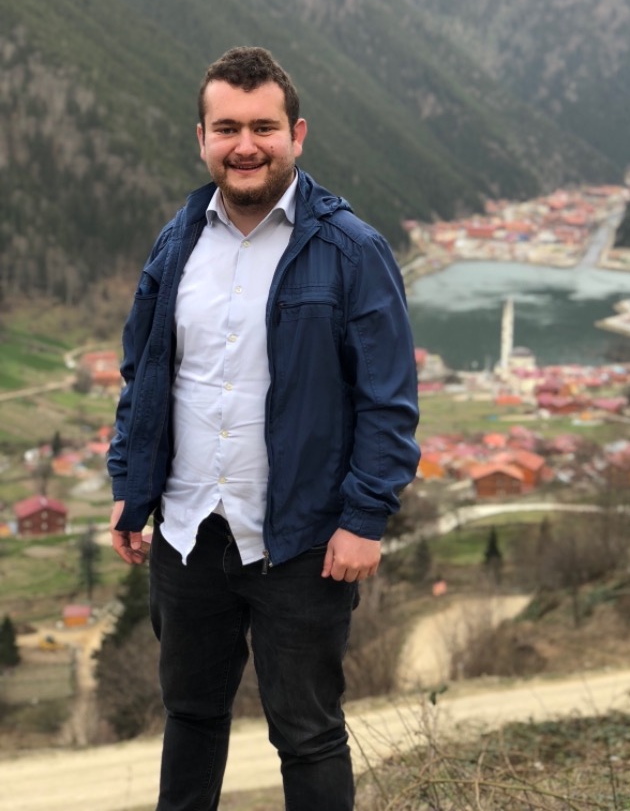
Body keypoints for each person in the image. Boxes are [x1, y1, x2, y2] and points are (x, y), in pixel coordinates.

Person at [107, 45, 420, 811]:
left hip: (303, 544)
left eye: (263, 128)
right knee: (190, 716)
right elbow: (144, 374)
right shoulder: (177, 243)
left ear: (296, 135)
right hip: (188, 534)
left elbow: (388, 400)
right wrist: (130, 486)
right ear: (202, 139)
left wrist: (364, 519)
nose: (245, 145)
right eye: (227, 129)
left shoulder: (352, 250)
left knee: (308, 733)